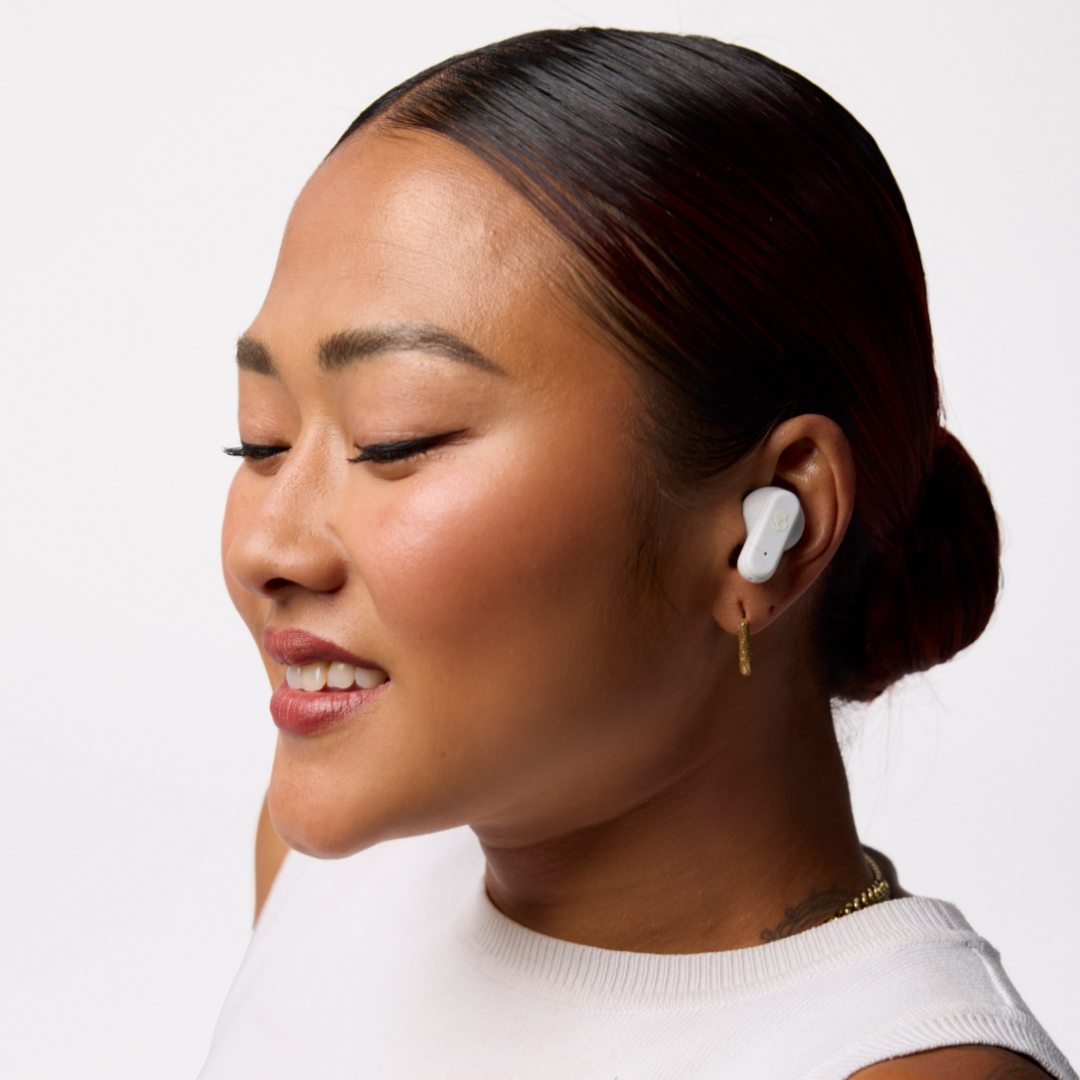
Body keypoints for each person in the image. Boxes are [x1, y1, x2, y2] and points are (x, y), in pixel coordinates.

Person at [201, 28, 1074, 1080]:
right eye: (260, 441)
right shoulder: (325, 879)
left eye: (395, 437)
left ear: (768, 530)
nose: (265, 545)